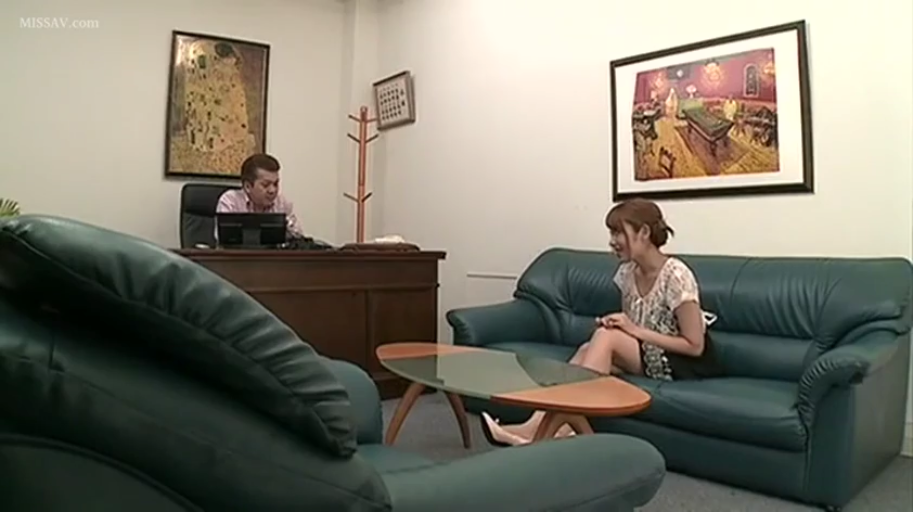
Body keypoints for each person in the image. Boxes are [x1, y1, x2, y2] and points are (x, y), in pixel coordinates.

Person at [482, 198, 721, 446]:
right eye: (611, 233)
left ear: (644, 232)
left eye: (618, 232)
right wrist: (617, 325)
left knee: (606, 338)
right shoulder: (627, 273)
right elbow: (635, 325)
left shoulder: (677, 276)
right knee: (587, 349)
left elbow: (695, 345)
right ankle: (534, 428)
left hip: (679, 365)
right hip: (646, 354)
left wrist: (633, 330)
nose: (612, 241)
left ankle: (557, 428)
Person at [216, 153, 304, 238]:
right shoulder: (230, 201)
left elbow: (299, 237)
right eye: (265, 185)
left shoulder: (281, 203)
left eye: (276, 184)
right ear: (247, 186)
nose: (272, 190)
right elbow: (222, 238)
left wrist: (288, 226)